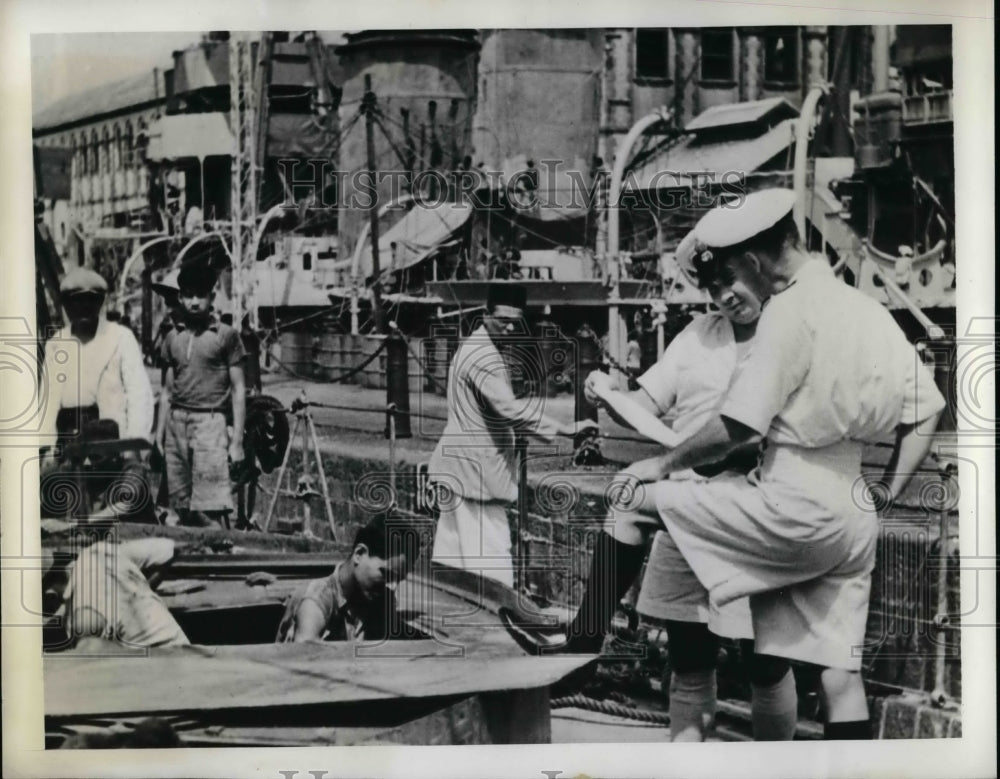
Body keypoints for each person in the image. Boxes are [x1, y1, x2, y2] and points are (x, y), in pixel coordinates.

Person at [503, 189, 946, 741]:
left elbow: (739, 427)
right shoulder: (867, 310)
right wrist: (884, 493)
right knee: (838, 676)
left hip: (786, 497)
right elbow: (927, 411)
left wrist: (662, 464)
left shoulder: (790, 312)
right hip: (850, 511)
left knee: (631, 500)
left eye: (732, 274)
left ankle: (585, 643)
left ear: (754, 262)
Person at [579, 235, 797, 741]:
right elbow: (645, 403)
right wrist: (607, 391)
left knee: (763, 662)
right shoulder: (698, 335)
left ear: (758, 268)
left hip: (754, 510)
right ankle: (586, 638)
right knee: (689, 657)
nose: (723, 296)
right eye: (712, 286)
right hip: (688, 507)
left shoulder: (789, 334)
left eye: (731, 281)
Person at [428, 284, 596, 588]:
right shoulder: (484, 356)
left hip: (459, 467)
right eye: (502, 319)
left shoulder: (474, 346)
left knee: (452, 552)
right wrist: (563, 428)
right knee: (491, 557)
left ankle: (448, 612)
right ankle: (498, 622)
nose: (508, 327)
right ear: (485, 314)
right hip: (476, 474)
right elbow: (508, 408)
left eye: (514, 321)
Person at [39, 267, 156, 520]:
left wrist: (134, 444)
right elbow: (48, 400)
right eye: (74, 304)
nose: (81, 311)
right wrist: (47, 449)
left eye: (88, 304)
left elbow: (139, 393)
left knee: (118, 506)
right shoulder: (57, 343)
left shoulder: (120, 337)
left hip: (110, 435)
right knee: (66, 508)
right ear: (66, 306)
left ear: (99, 303)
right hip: (68, 434)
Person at [156, 259, 246, 528]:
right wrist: (159, 435)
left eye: (200, 295)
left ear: (212, 297)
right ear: (180, 298)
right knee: (181, 508)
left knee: (210, 509)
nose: (194, 302)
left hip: (210, 424)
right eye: (188, 295)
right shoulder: (173, 337)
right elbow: (166, 391)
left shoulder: (226, 336)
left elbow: (239, 389)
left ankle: (219, 560)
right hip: (176, 425)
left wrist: (237, 442)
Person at [276, 513, 422, 643]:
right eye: (386, 574)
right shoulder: (316, 601)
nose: (392, 587)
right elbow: (306, 660)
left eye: (398, 580)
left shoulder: (379, 600)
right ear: (359, 554)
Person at [42, 535, 189, 649]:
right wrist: (135, 590)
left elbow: (89, 654)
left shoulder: (84, 618)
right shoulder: (99, 551)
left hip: (165, 669)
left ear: (49, 594)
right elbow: (170, 548)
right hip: (183, 651)